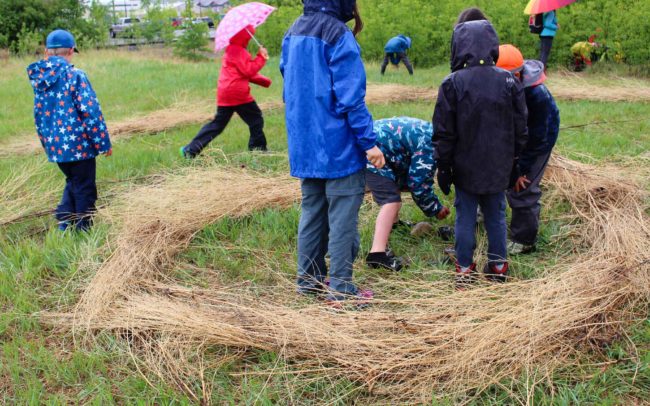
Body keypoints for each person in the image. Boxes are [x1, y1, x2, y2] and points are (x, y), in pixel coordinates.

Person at [280, 0, 385, 304]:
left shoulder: (293, 31)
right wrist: (369, 143)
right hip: (337, 146)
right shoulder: (338, 33)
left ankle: (308, 282)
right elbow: (351, 98)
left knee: (312, 212)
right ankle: (341, 289)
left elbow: (290, 87)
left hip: (304, 144)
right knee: (342, 218)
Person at [432, 18, 528, 288]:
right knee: (496, 215)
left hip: (465, 167)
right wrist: (515, 163)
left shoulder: (452, 83)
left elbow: (443, 132)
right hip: (499, 165)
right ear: (492, 45)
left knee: (465, 216)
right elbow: (521, 127)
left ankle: (464, 268)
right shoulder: (509, 81)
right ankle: (498, 266)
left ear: (459, 46)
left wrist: (444, 166)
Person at [27, 29, 112, 232]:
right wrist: (103, 143)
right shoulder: (76, 76)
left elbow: (39, 115)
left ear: (47, 52)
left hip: (56, 146)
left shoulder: (40, 80)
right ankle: (83, 228)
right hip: (79, 145)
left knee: (73, 181)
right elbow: (90, 112)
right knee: (85, 187)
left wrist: (47, 144)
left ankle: (64, 222)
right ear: (72, 51)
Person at [497, 45, 560, 255]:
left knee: (522, 187)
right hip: (516, 140)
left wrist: (522, 169)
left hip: (537, 144)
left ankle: (524, 239)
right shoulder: (505, 86)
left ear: (517, 73)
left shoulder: (536, 95)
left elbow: (538, 137)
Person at [365, 117, 450, 271]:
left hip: (376, 147)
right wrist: (435, 209)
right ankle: (377, 254)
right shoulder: (432, 147)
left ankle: (395, 225)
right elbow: (418, 185)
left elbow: (410, 176)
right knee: (391, 202)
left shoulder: (433, 133)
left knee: (394, 187)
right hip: (371, 154)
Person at [180, 25, 271, 158]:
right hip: (238, 94)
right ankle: (258, 148)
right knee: (256, 119)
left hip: (225, 94)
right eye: (249, 36)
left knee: (217, 125)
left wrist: (265, 81)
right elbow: (248, 70)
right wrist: (261, 57)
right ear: (244, 37)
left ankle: (190, 150)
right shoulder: (240, 51)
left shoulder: (231, 50)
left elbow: (241, 73)